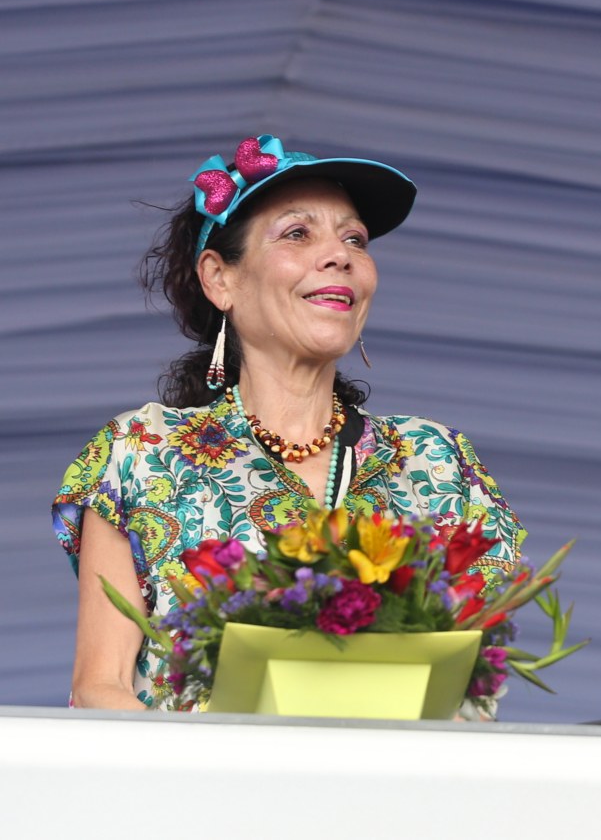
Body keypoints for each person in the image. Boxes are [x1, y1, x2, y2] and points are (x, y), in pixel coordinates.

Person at [54, 136, 524, 709]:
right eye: (298, 233)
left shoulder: (435, 459)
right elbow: (99, 687)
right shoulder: (144, 451)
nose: (340, 256)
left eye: (354, 239)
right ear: (219, 279)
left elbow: (468, 694)